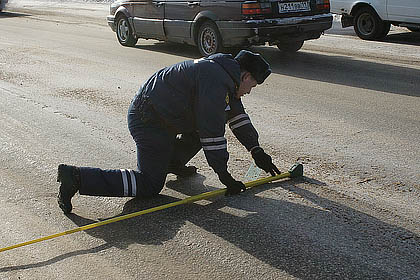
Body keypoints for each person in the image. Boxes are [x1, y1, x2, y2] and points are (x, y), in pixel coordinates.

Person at [57, 50, 280, 214]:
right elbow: (212, 133)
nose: (250, 92)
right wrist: (225, 176)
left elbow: (236, 116)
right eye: (252, 86)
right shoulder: (216, 82)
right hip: (150, 122)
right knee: (149, 184)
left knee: (207, 124)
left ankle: (172, 162)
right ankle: (77, 178)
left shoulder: (222, 74)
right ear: (246, 76)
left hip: (166, 118)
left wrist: (256, 149)